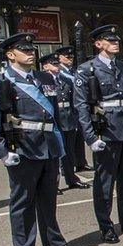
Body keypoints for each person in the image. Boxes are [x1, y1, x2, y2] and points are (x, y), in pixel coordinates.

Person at [0, 33, 83, 246]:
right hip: (23, 148)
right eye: (24, 50)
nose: (30, 53)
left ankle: (54, 242)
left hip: (48, 146)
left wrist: (59, 145)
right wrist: (1, 151)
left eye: (31, 49)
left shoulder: (44, 77)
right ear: (10, 55)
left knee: (49, 199)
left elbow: (53, 113)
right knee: (23, 202)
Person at [73, 24, 123, 244]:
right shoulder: (87, 69)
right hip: (105, 129)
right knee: (105, 182)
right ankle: (105, 225)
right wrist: (90, 137)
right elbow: (81, 107)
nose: (115, 43)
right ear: (99, 44)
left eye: (117, 40)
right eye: (110, 40)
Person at [39, 54, 90, 191]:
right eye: (53, 64)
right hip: (55, 120)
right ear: (45, 66)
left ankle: (71, 178)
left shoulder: (64, 79)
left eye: (57, 64)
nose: (56, 66)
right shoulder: (42, 81)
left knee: (69, 151)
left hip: (68, 119)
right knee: (54, 154)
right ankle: (53, 185)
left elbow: (74, 99)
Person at [54, 46, 90, 172]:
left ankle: (81, 162)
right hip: (64, 112)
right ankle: (66, 167)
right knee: (67, 142)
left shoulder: (73, 71)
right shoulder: (60, 72)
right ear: (60, 58)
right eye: (67, 57)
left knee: (79, 138)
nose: (70, 59)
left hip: (75, 110)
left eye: (72, 57)